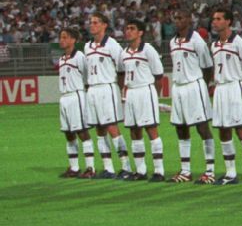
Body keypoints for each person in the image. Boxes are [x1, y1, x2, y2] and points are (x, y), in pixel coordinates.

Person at [209, 7, 242, 184]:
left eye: (219, 18)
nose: (215, 22)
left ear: (228, 21)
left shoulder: (238, 42)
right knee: (223, 130)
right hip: (221, 89)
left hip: (236, 87)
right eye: (214, 19)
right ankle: (231, 173)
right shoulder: (214, 45)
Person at [168, 10, 217, 183]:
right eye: (176, 17)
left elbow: (208, 66)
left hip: (194, 86)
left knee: (202, 127)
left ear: (189, 19)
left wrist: (201, 86)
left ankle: (210, 171)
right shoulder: (173, 41)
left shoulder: (197, 40)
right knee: (181, 128)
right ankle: (186, 171)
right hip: (178, 87)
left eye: (180, 17)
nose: (177, 20)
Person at [119, 18, 165, 182]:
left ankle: (159, 171)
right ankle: (140, 170)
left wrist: (155, 96)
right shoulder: (124, 53)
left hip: (146, 91)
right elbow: (121, 73)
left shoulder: (148, 50)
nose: (128, 31)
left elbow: (159, 76)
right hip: (131, 93)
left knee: (151, 130)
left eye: (132, 28)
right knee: (134, 131)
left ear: (140, 32)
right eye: (127, 28)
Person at [84, 12, 129, 179]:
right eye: (91, 22)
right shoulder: (87, 46)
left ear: (104, 25)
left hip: (107, 87)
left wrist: (119, 88)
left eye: (96, 22)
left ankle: (126, 166)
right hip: (93, 89)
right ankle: (108, 168)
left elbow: (122, 69)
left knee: (112, 127)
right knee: (99, 129)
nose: (92, 25)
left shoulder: (112, 45)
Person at [55, 26, 94, 179]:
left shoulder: (79, 56)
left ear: (73, 40)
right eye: (61, 37)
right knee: (68, 133)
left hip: (76, 96)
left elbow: (87, 76)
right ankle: (74, 167)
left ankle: (90, 167)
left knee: (82, 131)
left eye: (65, 37)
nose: (61, 40)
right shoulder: (61, 58)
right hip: (64, 97)